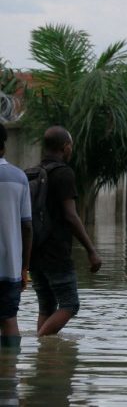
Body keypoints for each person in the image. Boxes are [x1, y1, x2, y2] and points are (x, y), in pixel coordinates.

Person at [29, 126, 102, 337]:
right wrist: (91, 250)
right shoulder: (63, 173)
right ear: (65, 147)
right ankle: (41, 340)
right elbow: (71, 215)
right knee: (70, 304)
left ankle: (45, 356)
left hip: (34, 249)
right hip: (56, 251)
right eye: (71, 147)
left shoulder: (33, 172)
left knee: (46, 305)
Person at [0, 123, 32, 348]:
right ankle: (9, 375)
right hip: (10, 267)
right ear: (3, 148)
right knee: (10, 319)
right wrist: (24, 268)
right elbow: (27, 226)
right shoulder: (19, 178)